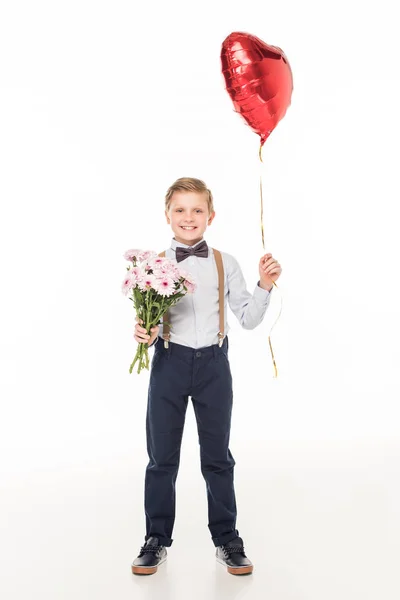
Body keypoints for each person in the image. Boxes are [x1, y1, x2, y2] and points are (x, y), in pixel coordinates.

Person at [131, 177, 282, 576]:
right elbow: (145, 320)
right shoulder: (153, 265)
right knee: (162, 458)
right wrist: (143, 334)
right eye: (180, 209)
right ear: (167, 215)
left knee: (217, 458)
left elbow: (248, 319)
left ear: (210, 216)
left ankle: (227, 540)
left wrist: (264, 286)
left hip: (215, 365)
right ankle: (155, 540)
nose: (189, 217)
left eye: (197, 209)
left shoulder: (224, 262)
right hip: (169, 363)